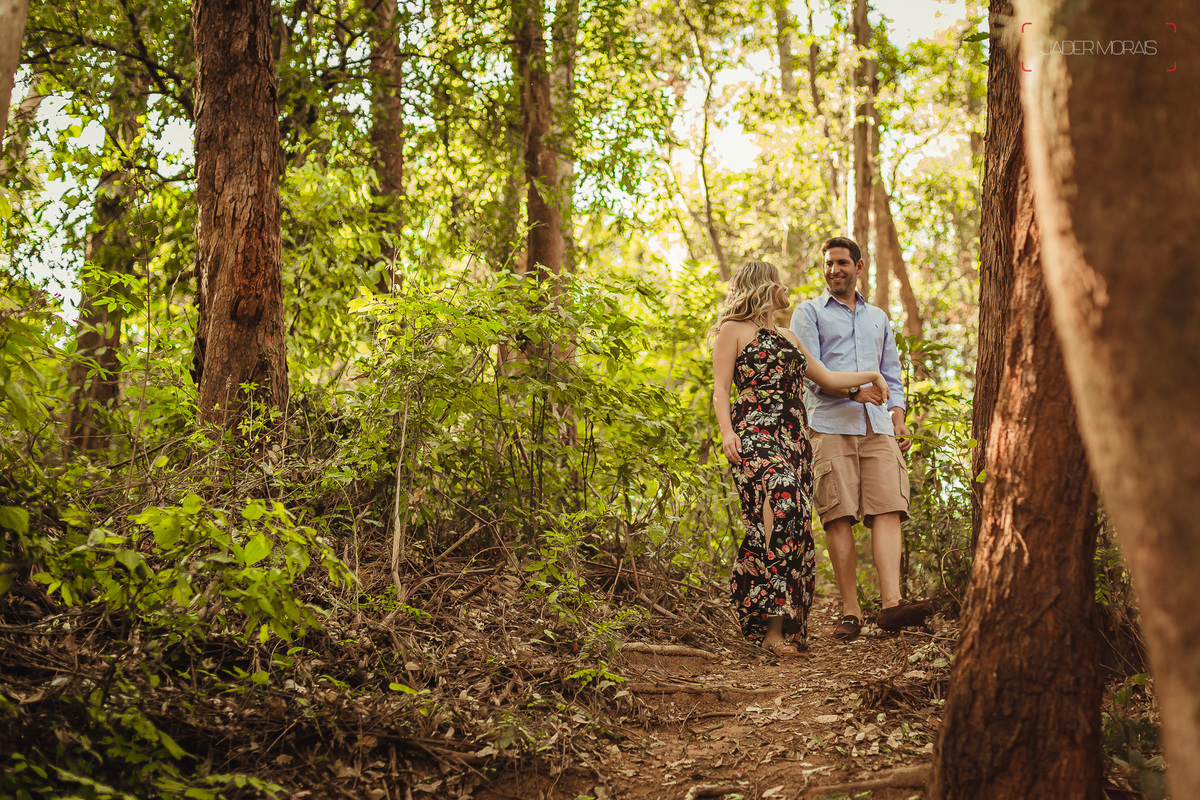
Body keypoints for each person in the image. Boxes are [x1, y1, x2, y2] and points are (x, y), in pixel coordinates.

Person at [712, 260, 889, 656]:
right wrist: (727, 432)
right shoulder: (732, 330)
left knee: (791, 523)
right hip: (753, 431)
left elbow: (826, 377)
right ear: (763, 286)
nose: (786, 288)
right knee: (784, 499)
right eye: (780, 282)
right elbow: (721, 388)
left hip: (794, 439)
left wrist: (872, 375)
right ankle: (763, 612)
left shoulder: (789, 337)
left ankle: (776, 630)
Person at [790, 237, 934, 642]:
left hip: (877, 427)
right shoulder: (808, 312)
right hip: (830, 425)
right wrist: (853, 392)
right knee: (839, 515)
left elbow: (892, 377)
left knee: (889, 507)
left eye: (841, 263)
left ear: (859, 266)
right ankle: (850, 612)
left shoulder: (878, 317)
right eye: (828, 264)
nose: (834, 270)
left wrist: (898, 419)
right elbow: (809, 372)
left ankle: (891, 604)